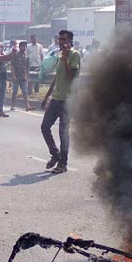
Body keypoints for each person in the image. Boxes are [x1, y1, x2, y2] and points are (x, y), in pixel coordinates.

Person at [41, 30, 81, 174]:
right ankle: (55, 154)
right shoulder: (59, 55)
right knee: (45, 127)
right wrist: (47, 97)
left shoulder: (75, 55)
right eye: (59, 39)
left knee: (63, 131)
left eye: (64, 39)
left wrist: (65, 59)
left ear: (70, 41)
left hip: (67, 100)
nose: (61, 42)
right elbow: (58, 77)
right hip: (56, 99)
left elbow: (72, 77)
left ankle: (63, 163)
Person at [9, 40, 33, 110]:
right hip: (16, 76)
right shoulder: (15, 55)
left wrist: (28, 77)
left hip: (23, 77)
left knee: (25, 91)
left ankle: (27, 105)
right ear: (19, 47)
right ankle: (12, 105)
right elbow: (12, 66)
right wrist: (13, 75)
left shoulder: (27, 57)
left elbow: (27, 68)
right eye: (22, 46)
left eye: (25, 46)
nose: (24, 48)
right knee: (15, 91)